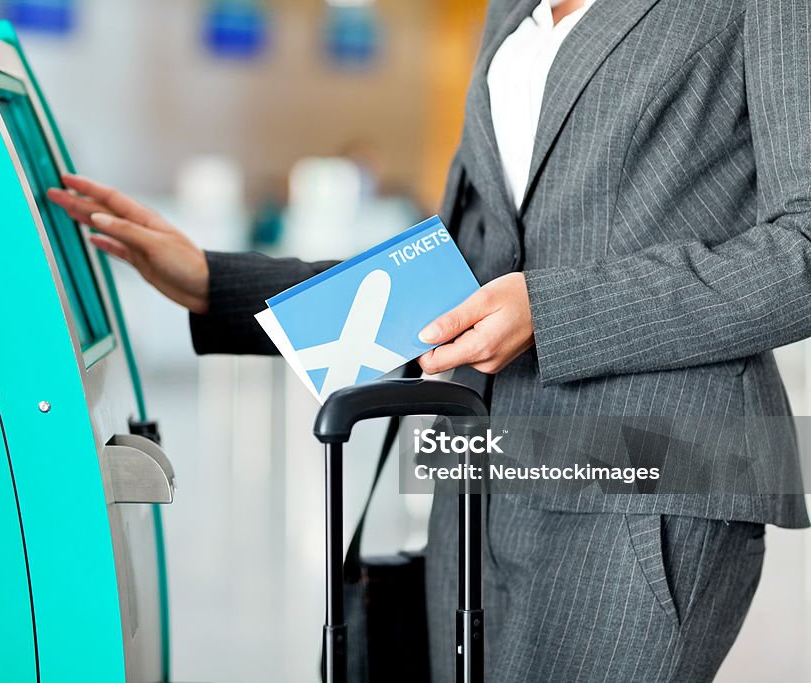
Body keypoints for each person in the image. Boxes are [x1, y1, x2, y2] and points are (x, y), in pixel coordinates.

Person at [49, 0, 811, 680]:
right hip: (482, 471)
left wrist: (554, 308)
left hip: (652, 474)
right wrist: (218, 283)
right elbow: (453, 274)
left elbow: (802, 249)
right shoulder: (512, 12)